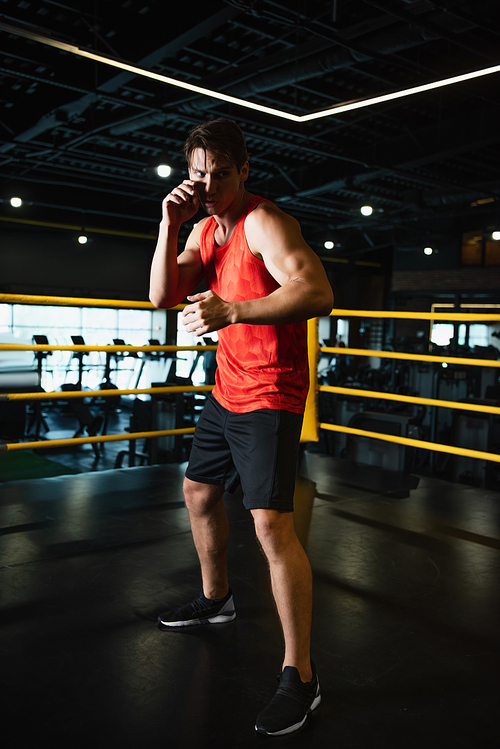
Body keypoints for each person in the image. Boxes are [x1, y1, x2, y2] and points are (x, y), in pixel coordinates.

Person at [149, 118, 334, 736]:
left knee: (270, 525)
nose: (206, 187)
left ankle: (301, 677)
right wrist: (168, 225)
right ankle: (216, 599)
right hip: (228, 389)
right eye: (197, 175)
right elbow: (160, 296)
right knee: (198, 491)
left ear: (244, 171)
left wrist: (233, 310)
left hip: (272, 394)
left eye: (219, 175)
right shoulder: (202, 226)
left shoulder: (264, 221)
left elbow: (316, 291)